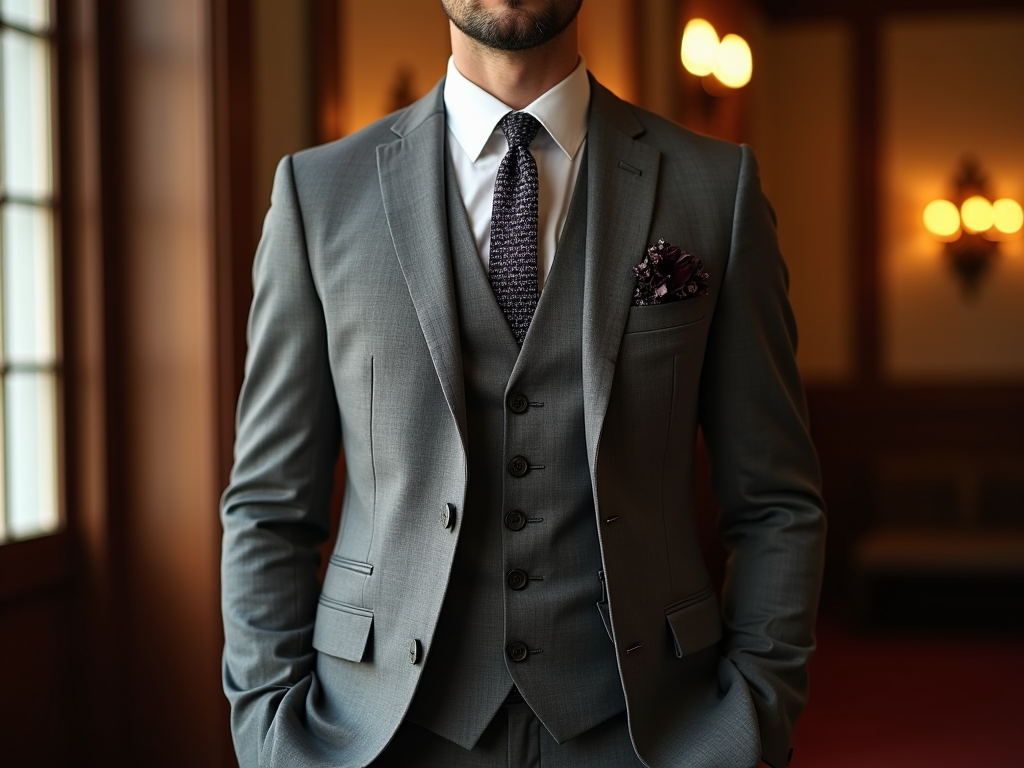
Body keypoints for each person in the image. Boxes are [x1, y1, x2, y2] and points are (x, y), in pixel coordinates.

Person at [220, 1, 827, 766]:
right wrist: (272, 732)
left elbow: (777, 501)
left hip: (650, 732)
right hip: (379, 733)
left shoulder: (716, 189)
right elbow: (270, 504)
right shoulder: (319, 194)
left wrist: (751, 719)